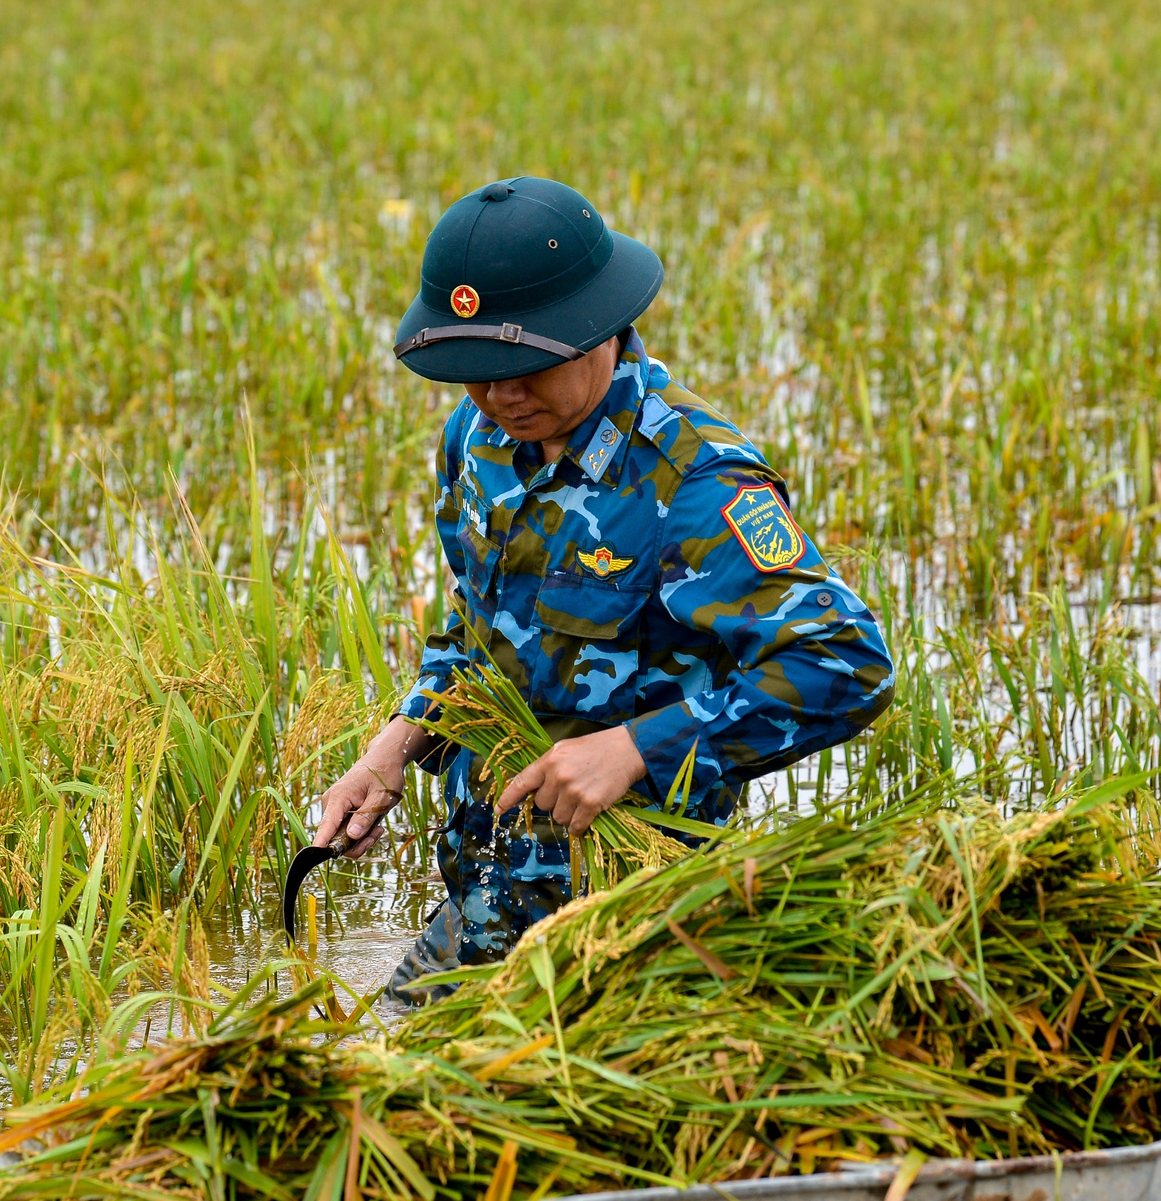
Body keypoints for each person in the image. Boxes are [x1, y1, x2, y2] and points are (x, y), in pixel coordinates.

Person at [312, 177, 896, 1004]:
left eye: (522, 368)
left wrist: (634, 749)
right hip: (485, 901)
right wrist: (397, 742)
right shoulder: (477, 440)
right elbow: (477, 628)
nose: (499, 396)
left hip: (633, 924)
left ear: (599, 329)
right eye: (476, 373)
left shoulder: (694, 479)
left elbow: (845, 663)